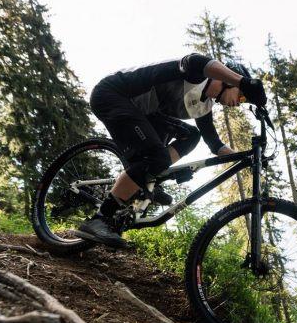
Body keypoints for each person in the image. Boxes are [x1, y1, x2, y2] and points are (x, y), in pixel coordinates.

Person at [76, 53, 267, 248]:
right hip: (112, 94)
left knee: (192, 136)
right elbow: (194, 61)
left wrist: (246, 158)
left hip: (143, 113)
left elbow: (215, 145)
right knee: (158, 156)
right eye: (242, 96)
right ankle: (99, 219)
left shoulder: (204, 106)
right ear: (229, 80)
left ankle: (150, 176)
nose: (240, 102)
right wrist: (244, 82)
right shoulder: (198, 73)